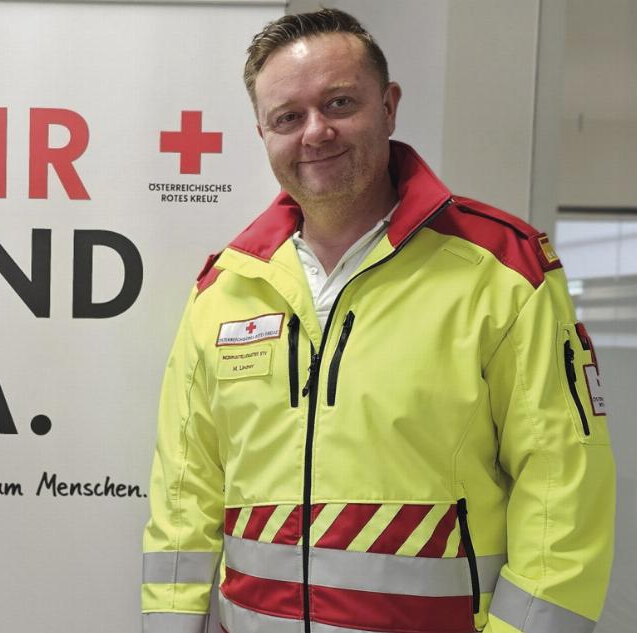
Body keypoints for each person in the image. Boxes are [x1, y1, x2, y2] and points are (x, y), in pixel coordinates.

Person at [142, 9, 614, 633]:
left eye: (339, 103)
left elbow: (562, 486)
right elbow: (185, 490)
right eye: (288, 117)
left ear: (388, 107)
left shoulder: (501, 268)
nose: (315, 132)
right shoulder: (225, 289)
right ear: (263, 132)